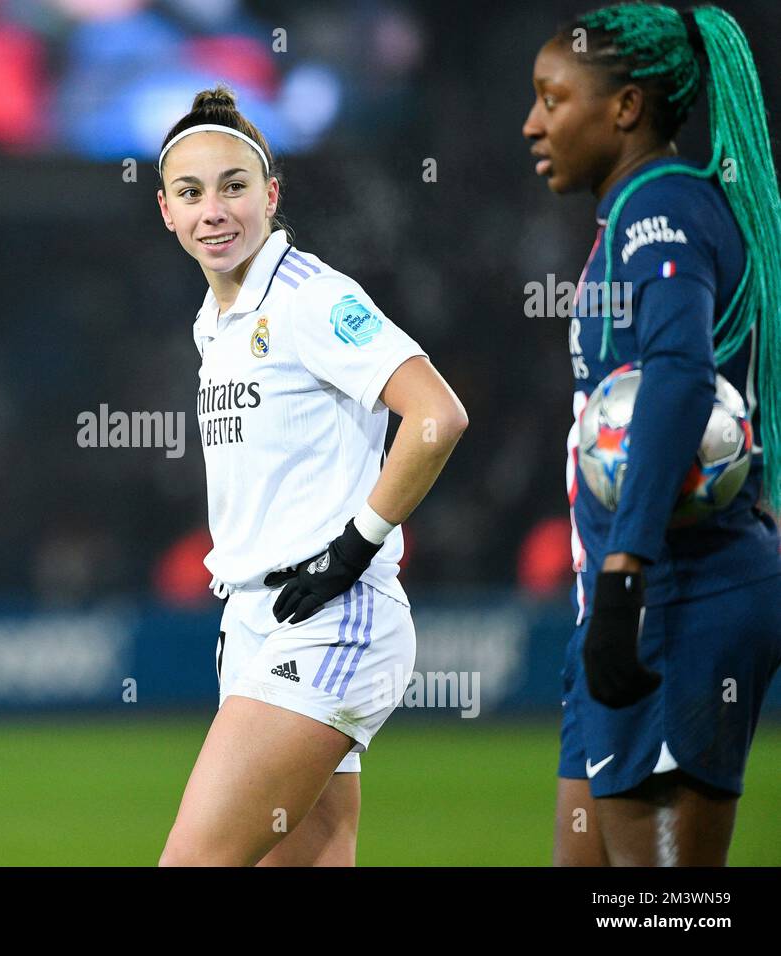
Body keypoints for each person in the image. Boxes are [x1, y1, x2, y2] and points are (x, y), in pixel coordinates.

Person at [155, 86, 468, 866]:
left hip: (330, 619)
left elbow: (437, 416)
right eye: (191, 193)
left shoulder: (308, 297)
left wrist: (354, 547)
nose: (214, 210)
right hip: (257, 625)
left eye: (234, 186)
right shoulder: (214, 322)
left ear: (272, 194)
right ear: (165, 210)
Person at [522, 3, 781, 865]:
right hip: (629, 601)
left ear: (626, 108)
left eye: (554, 100)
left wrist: (628, 574)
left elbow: (678, 373)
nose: (533, 123)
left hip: (670, 596)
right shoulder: (650, 209)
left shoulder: (658, 210)